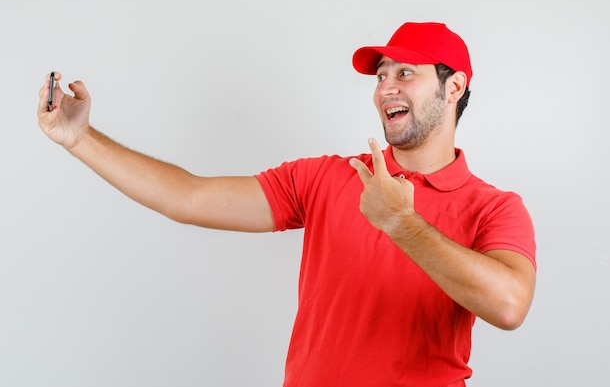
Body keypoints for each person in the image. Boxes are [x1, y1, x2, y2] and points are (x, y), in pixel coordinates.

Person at [37, 22, 536, 387]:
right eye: (381, 75)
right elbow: (188, 197)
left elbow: (510, 306)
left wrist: (402, 223)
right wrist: (79, 139)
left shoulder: (494, 208)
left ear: (454, 87)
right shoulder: (327, 177)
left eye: (406, 73)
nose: (386, 87)